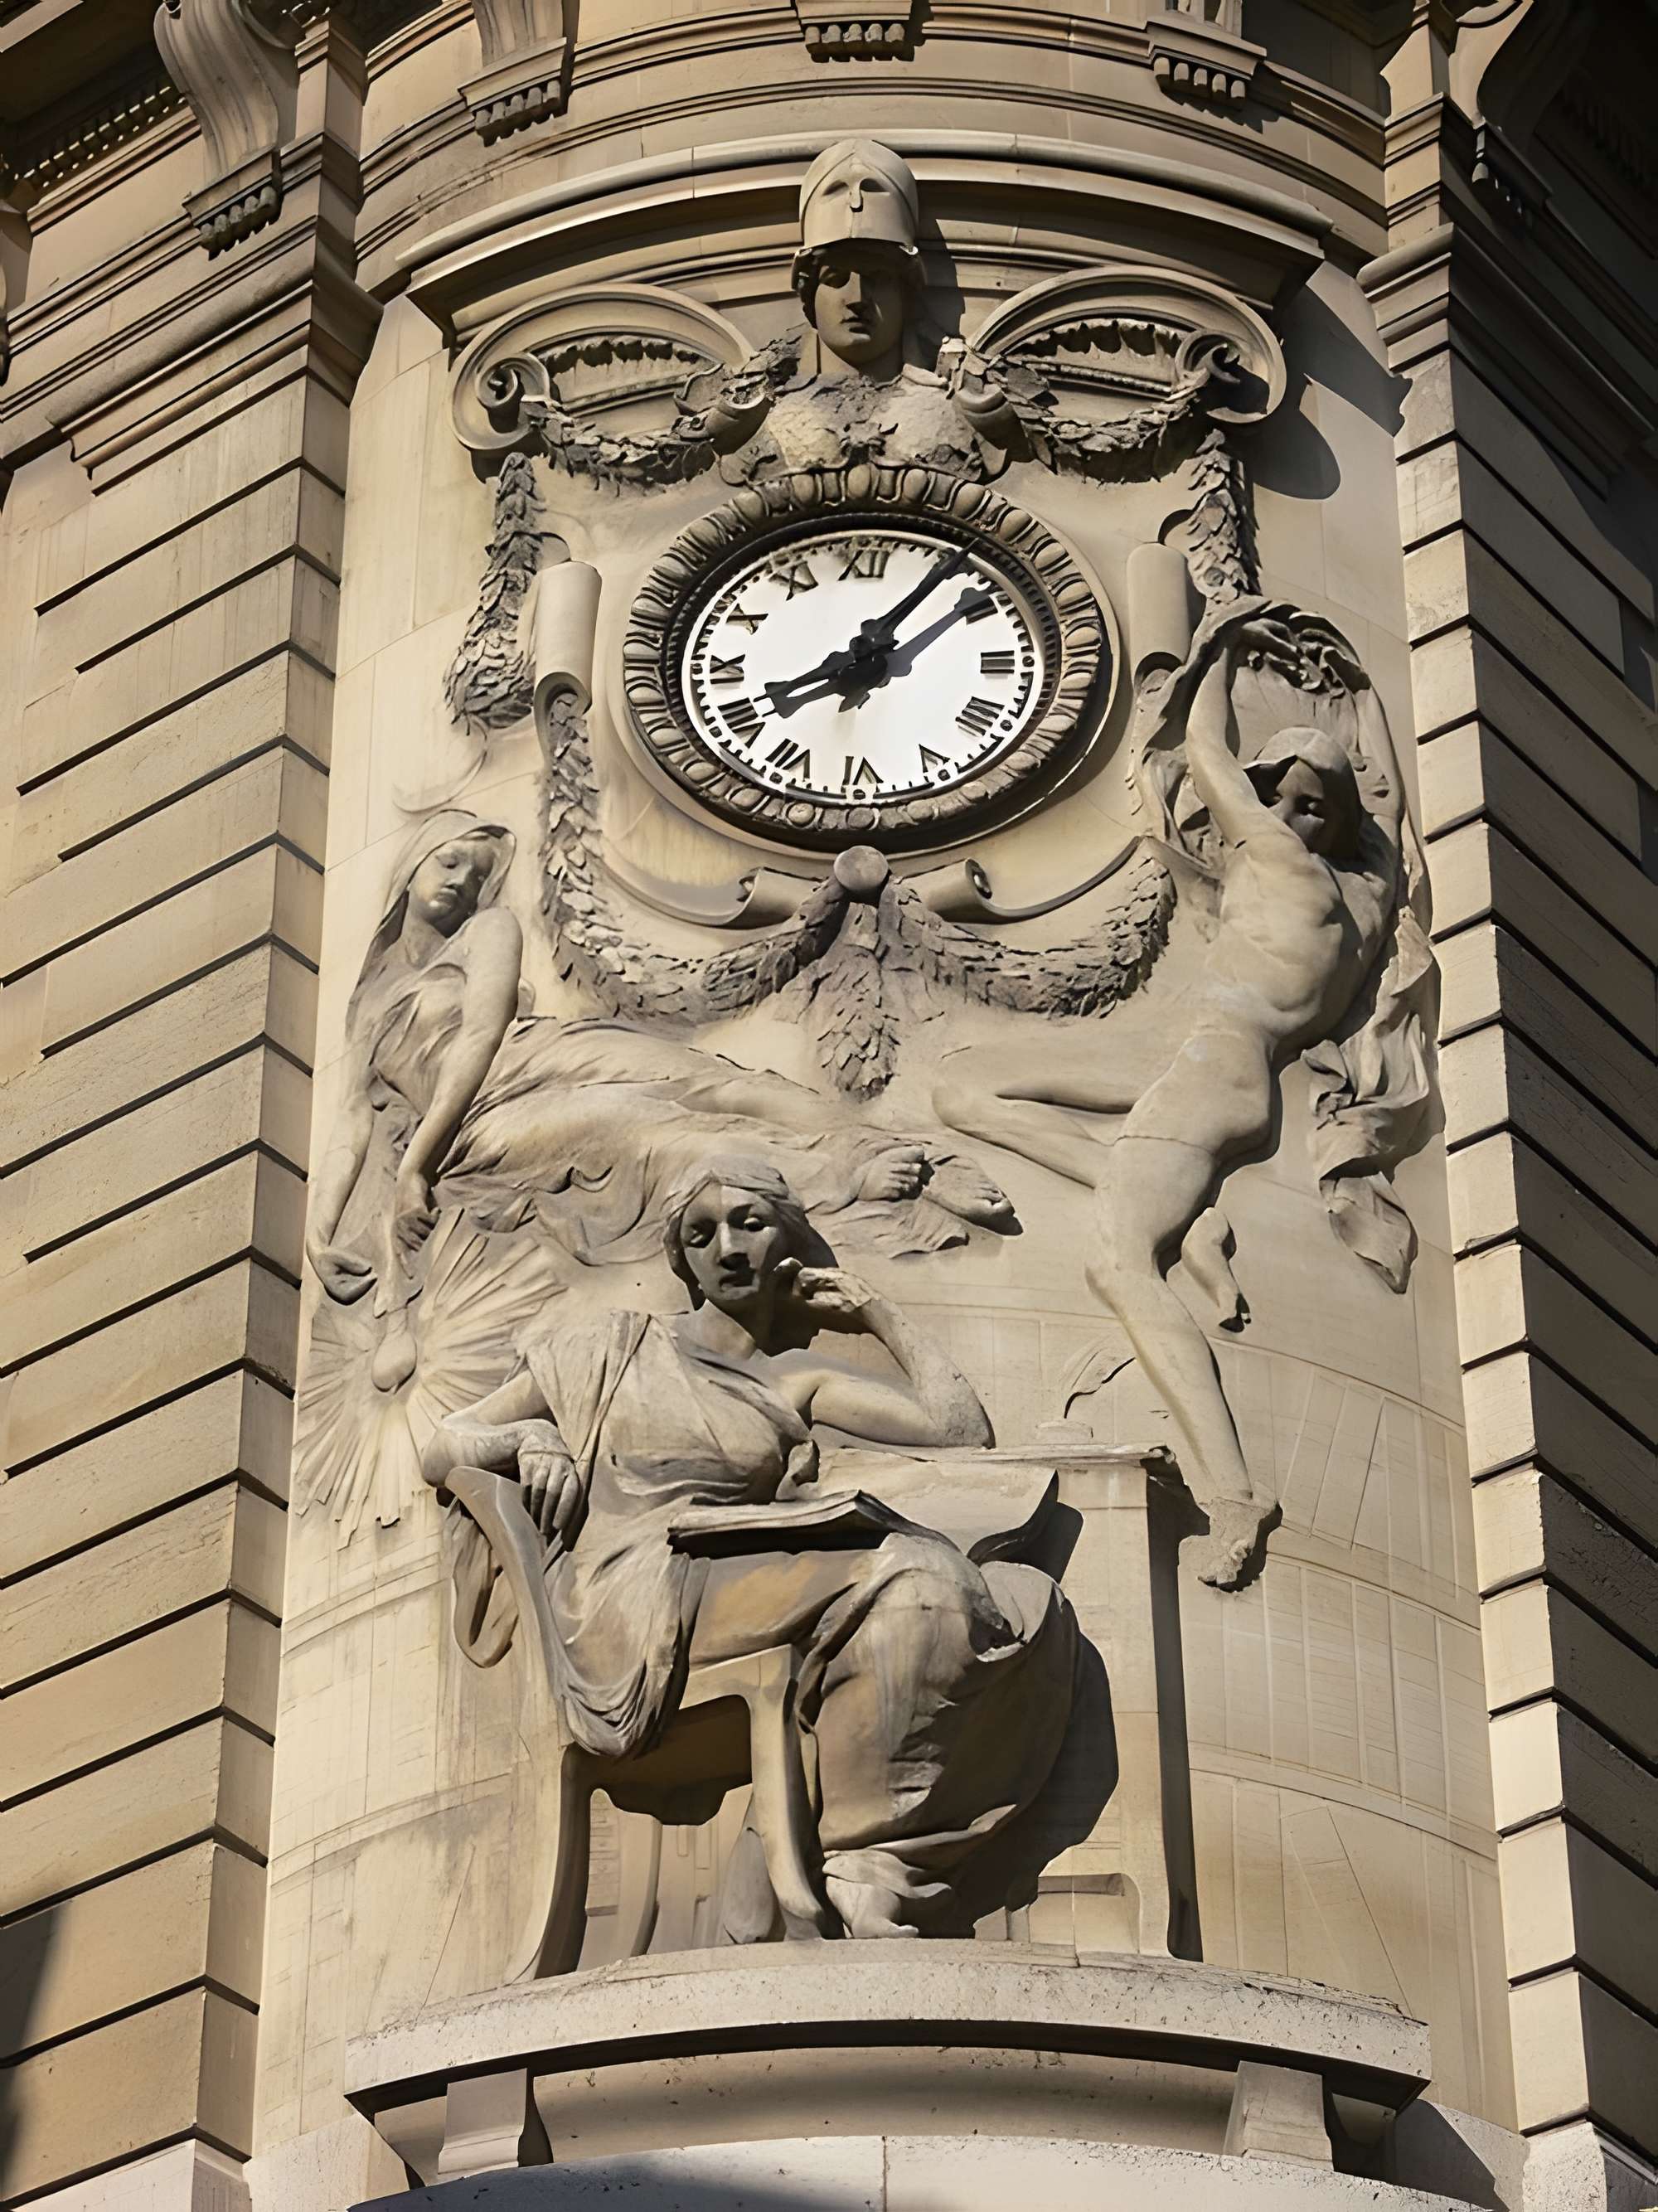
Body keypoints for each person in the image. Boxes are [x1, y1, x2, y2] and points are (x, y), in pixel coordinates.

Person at [420, 1157, 1075, 1941]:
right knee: (917, 1575)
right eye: (702, 1234)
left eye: (749, 1225)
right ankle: (845, 1866)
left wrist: (876, 1314)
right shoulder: (611, 1346)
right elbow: (444, 1440)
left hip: (741, 1570)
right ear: (684, 1262)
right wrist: (529, 1438)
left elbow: (960, 1430)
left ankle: (851, 1862)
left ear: (787, 1242)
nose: (728, 1248)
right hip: (638, 1593)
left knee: (998, 1599)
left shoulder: (793, 1385)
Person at [936, 603, 1428, 1586]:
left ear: (1322, 820)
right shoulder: (1373, 897)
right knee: (959, 1087)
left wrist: (1214, 652)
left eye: (1303, 803)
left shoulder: (1279, 861)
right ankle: (1192, 1229)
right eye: (1278, 798)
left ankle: (1232, 1492)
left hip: (1209, 1071)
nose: (1283, 816)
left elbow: (1202, 743)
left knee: (1117, 1264)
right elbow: (1392, 828)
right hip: (1198, 1060)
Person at [306, 811, 1014, 1368]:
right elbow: (352, 1121)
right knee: (640, 1125)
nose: (462, 881)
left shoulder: (488, 930)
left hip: (534, 1056)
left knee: (722, 1084)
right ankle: (841, 1177)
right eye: (450, 862)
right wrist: (321, 1229)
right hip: (480, 1123)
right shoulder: (368, 1002)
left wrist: (410, 1166)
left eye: (477, 871)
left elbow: (481, 1033)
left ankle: (915, 1157)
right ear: (409, 869)